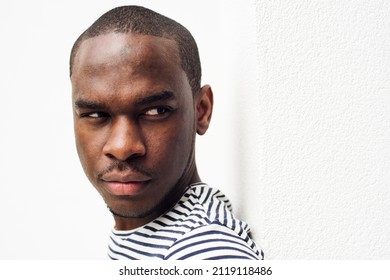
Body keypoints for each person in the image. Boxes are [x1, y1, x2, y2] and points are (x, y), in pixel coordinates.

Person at [70, 5, 263, 260]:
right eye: (96, 114)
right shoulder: (160, 240)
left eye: (156, 111)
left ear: (201, 111)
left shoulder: (205, 252)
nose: (122, 147)